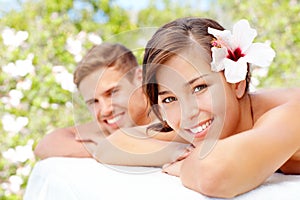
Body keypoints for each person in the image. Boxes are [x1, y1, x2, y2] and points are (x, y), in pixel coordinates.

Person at [142, 17, 300, 198]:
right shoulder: (210, 124)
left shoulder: (291, 113)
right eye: (169, 99)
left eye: (199, 88)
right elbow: (112, 145)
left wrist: (185, 164)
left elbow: (214, 175)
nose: (187, 113)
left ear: (237, 82)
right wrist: (175, 152)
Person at [35, 42, 188, 166]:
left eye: (112, 93)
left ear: (140, 78)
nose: (105, 110)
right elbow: (46, 144)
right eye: (93, 102)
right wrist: (101, 148)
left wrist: (114, 147)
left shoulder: (170, 114)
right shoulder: (109, 128)